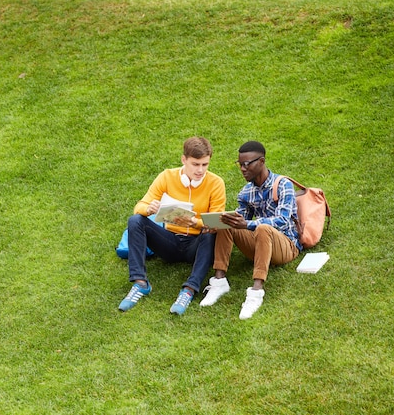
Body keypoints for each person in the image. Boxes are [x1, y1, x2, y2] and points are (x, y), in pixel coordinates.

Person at [118, 137, 226, 315]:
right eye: (195, 164)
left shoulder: (216, 183)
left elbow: (216, 221)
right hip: (169, 242)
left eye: (205, 164)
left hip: (196, 245)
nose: (200, 170)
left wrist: (195, 222)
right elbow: (139, 207)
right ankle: (140, 283)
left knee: (210, 234)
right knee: (135, 221)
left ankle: (189, 290)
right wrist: (148, 209)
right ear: (184, 160)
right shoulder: (167, 176)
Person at [199, 140, 301, 319]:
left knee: (262, 228)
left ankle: (256, 292)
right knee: (227, 221)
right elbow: (240, 221)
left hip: (287, 247)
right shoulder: (246, 192)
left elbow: (283, 220)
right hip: (260, 246)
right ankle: (219, 281)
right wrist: (218, 225)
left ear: (261, 162)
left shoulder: (283, 184)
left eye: (247, 164)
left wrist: (248, 224)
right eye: (240, 164)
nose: (242, 169)